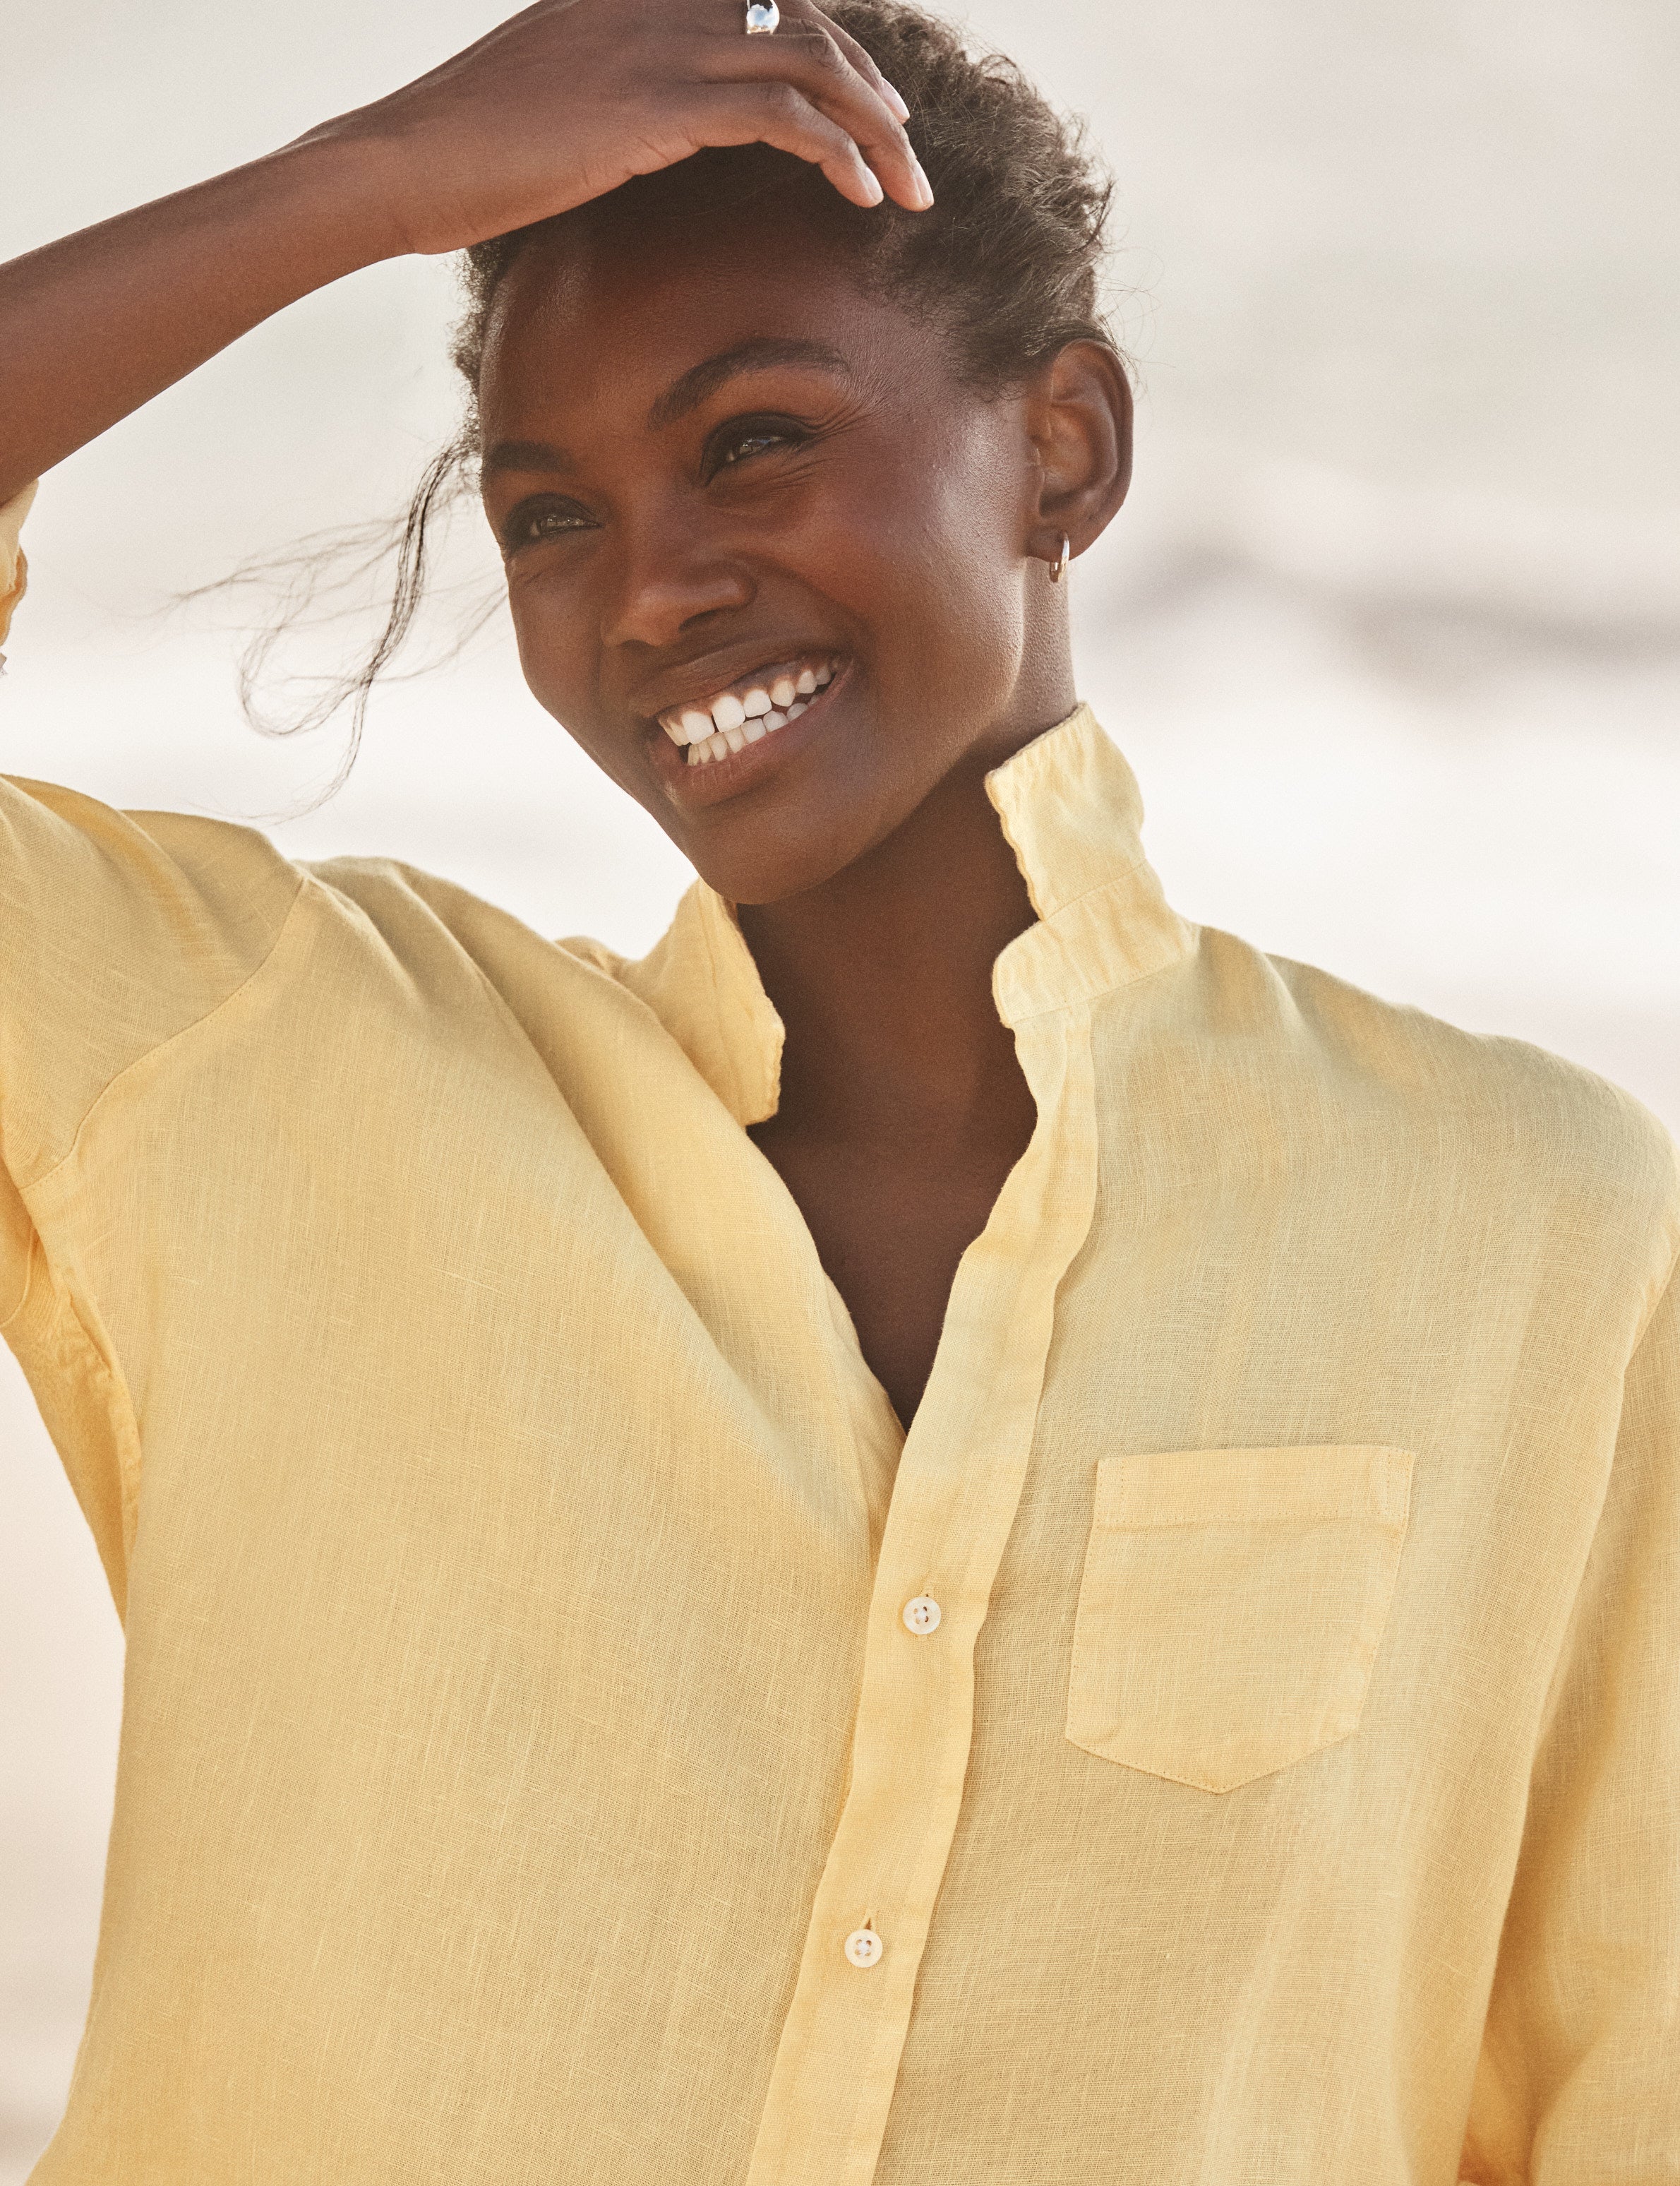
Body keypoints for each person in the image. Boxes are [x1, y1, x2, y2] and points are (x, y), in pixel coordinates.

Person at [1, 1, 1676, 2178]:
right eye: (544, 517)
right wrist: (361, 183)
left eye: (755, 443)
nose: (654, 591)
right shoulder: (256, 1066)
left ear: (1060, 448)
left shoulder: (1525, 1230)